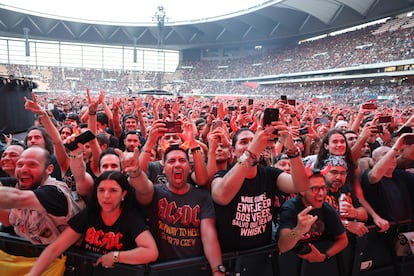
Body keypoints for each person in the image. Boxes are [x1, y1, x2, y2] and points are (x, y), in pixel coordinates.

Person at [29, 171, 158, 275]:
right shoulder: (90, 214)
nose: (106, 196)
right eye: (101, 190)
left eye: (113, 190)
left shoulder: (131, 217)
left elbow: (151, 252)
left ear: (123, 194)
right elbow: (54, 248)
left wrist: (115, 256)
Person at [211, 125, 310, 253]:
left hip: (262, 256)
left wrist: (291, 149)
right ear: (232, 151)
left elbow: (301, 185)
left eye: (254, 141)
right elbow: (222, 196)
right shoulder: (221, 176)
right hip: (231, 258)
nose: (250, 145)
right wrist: (251, 152)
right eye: (243, 142)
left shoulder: (271, 175)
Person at [133, 144, 225, 275]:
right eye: (171, 161)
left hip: (195, 268)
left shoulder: (202, 196)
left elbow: (208, 235)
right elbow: (142, 187)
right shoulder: (155, 192)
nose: (177, 164)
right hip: (162, 270)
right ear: (163, 169)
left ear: (189, 167)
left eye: (182, 160)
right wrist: (135, 172)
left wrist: (217, 270)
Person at [0, 147, 85, 244]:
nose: (23, 169)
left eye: (32, 165)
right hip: (31, 254)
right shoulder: (24, 183)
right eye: (20, 164)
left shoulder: (54, 192)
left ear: (49, 169)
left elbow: (16, 198)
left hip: (67, 257)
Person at [277, 171, 348, 262]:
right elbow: (283, 246)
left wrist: (324, 256)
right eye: (315, 189)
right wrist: (298, 230)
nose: (321, 193)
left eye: (323, 188)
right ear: (302, 190)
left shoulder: (326, 208)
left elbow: (343, 239)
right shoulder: (290, 208)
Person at [360, 134, 414, 223]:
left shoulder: (401, 175)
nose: (392, 157)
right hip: (383, 231)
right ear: (374, 160)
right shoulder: (368, 176)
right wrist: (396, 147)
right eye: (386, 155)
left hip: (406, 229)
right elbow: (374, 176)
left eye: (394, 156)